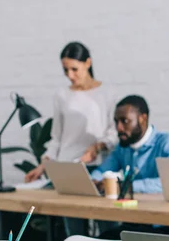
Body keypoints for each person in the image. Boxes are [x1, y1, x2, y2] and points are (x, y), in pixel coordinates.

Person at [91, 95, 169, 238]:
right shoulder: (123, 147)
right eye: (116, 122)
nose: (119, 128)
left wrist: (128, 187)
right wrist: (94, 182)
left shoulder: (167, 143)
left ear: (142, 119)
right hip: (138, 222)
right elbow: (102, 170)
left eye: (125, 121)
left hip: (168, 226)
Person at [25, 42, 117, 182]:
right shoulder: (61, 95)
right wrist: (42, 167)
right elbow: (57, 138)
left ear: (88, 63)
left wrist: (97, 147)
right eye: (66, 70)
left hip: (96, 167)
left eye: (74, 69)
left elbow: (114, 133)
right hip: (65, 166)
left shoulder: (108, 94)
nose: (70, 75)